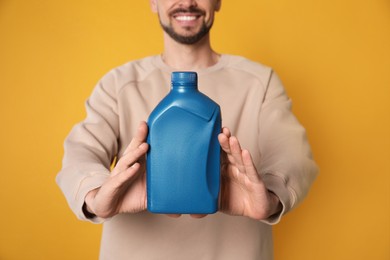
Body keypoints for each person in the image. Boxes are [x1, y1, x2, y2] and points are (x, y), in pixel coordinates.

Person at [56, 0, 318, 259]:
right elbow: (80, 154)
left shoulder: (260, 82)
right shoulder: (118, 84)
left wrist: (270, 197)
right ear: (153, 2)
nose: (187, 2)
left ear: (217, 2)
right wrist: (96, 197)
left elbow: (292, 155)